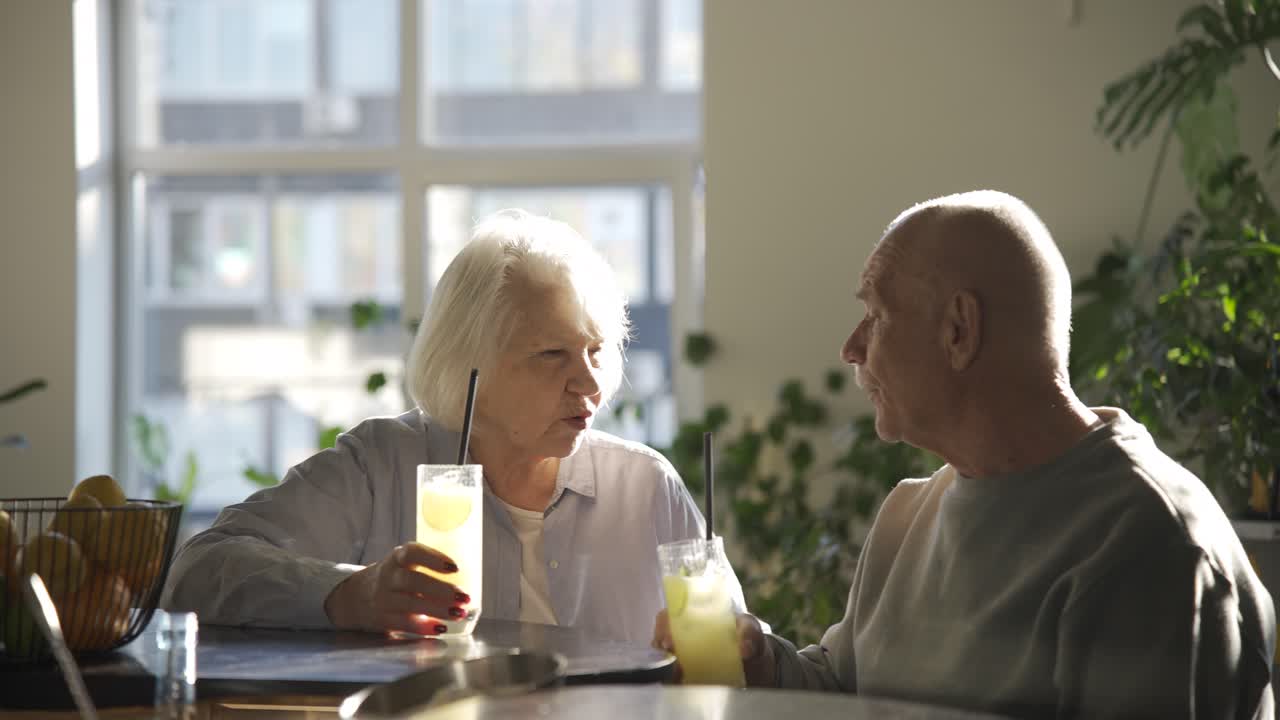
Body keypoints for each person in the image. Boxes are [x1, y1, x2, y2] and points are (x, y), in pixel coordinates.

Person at [654, 190, 1276, 718]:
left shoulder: (1150, 544)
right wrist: (762, 663)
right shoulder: (907, 515)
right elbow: (847, 692)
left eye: (876, 314)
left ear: (959, 329)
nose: (851, 347)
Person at [162, 209, 741, 645]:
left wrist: (748, 649)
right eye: (552, 354)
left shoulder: (645, 487)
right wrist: (349, 592)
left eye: (596, 351)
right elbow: (197, 570)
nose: (589, 382)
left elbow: (741, 647)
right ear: (469, 366)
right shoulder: (380, 467)